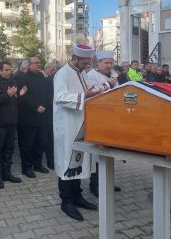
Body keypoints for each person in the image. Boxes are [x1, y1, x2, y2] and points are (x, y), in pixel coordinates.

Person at [53, 44, 102, 221]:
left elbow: (87, 92)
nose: (86, 65)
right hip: (67, 125)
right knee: (67, 161)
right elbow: (59, 97)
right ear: (75, 58)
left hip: (81, 123)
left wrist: (97, 93)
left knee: (79, 160)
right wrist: (83, 96)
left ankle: (77, 196)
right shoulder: (62, 73)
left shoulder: (81, 73)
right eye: (84, 62)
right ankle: (66, 201)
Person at [87, 50, 121, 197]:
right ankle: (95, 185)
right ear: (98, 63)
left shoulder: (113, 74)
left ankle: (108, 182)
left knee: (109, 153)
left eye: (110, 62)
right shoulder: (90, 75)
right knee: (98, 154)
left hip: (111, 117)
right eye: (106, 63)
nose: (109, 65)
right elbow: (92, 93)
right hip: (97, 118)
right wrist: (108, 84)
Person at [0, 61, 26, 189]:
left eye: (10, 69)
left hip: (12, 121)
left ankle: (7, 173)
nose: (9, 72)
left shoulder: (13, 82)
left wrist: (19, 96)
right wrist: (7, 95)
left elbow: (14, 100)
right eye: (6, 70)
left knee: (9, 149)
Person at [18, 57, 49, 178]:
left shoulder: (41, 77)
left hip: (41, 117)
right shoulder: (23, 78)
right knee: (27, 144)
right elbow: (23, 97)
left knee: (39, 143)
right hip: (28, 117)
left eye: (40, 63)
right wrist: (36, 106)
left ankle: (38, 164)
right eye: (36, 63)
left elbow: (45, 94)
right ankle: (26, 167)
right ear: (29, 65)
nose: (39, 65)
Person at [45, 62, 57, 170]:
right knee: (50, 138)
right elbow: (49, 99)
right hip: (50, 114)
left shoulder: (56, 80)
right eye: (52, 70)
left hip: (58, 114)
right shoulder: (49, 81)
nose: (54, 72)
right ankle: (50, 160)